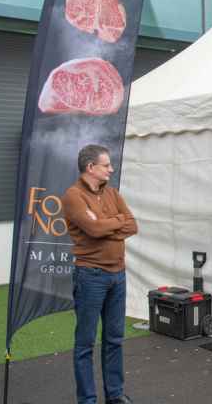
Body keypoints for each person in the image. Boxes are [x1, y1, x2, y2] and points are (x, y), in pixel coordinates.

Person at [62, 144, 138, 404]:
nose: (111, 169)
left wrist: (106, 225)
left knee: (114, 339)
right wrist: (115, 222)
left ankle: (114, 395)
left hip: (118, 275)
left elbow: (132, 225)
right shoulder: (73, 196)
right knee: (85, 343)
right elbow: (93, 230)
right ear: (90, 167)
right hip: (90, 276)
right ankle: (87, 400)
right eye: (106, 165)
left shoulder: (113, 193)